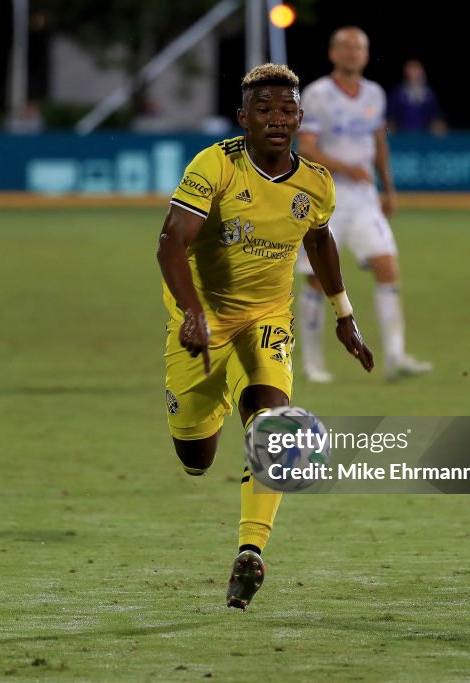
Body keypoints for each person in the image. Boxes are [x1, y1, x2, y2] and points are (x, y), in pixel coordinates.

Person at [156, 63, 374, 610]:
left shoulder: (315, 183)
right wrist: (189, 310)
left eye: (286, 110)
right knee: (196, 456)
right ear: (243, 118)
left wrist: (344, 313)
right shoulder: (216, 165)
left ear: (300, 117)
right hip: (202, 320)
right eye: (264, 110)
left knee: (273, 421)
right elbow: (169, 242)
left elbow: (319, 241)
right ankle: (215, 403)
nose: (276, 119)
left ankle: (250, 551)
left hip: (267, 318)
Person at [296, 27, 433, 383]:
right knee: (316, 280)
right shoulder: (318, 94)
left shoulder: (374, 94)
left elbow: (378, 142)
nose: (353, 53)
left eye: (359, 48)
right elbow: (306, 147)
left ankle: (396, 356)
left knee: (387, 266)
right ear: (333, 54)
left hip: (363, 199)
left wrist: (388, 188)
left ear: (366, 55)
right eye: (346, 47)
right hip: (325, 198)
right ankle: (312, 363)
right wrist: (346, 167)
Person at [387, 59, 447, 136]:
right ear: (406, 73)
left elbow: (437, 117)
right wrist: (388, 129)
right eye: (411, 70)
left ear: (422, 72)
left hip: (425, 136)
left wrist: (439, 127)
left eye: (416, 70)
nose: (414, 74)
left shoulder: (429, 94)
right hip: (403, 136)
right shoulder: (398, 93)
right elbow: (390, 117)